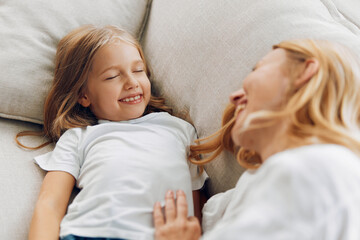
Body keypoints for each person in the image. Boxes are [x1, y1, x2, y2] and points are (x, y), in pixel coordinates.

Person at [153, 39, 360, 239]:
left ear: (306, 71)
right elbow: (205, 217)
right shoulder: (261, 181)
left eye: (257, 69)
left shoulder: (313, 171)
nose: (234, 97)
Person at [23, 25, 208, 240]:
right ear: (84, 95)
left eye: (138, 70)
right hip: (90, 234)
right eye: (112, 76)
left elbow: (194, 206)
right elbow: (49, 204)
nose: (132, 82)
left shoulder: (180, 129)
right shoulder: (79, 137)